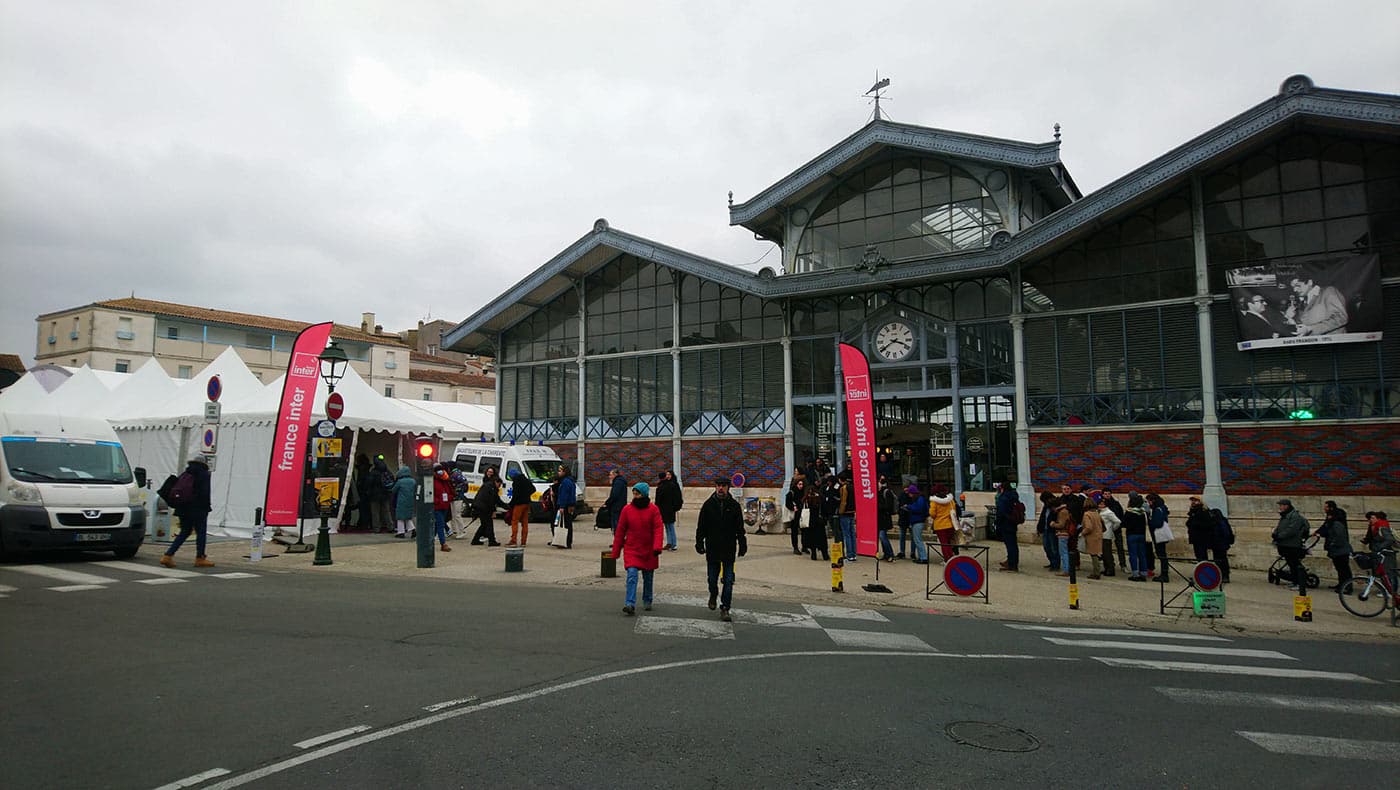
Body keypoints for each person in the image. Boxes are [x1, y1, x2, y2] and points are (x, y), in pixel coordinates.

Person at [695, 477, 746, 622]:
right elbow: (701, 527)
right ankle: (713, 593)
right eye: (718, 486)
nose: (720, 489)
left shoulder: (734, 506)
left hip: (729, 547)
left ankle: (725, 608)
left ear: (728, 487)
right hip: (713, 547)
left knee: (728, 581)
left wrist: (742, 544)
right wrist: (699, 543)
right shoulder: (708, 505)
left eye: (723, 486)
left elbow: (740, 528)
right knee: (712, 579)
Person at [610, 481, 664, 616]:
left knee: (648, 576)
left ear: (644, 494)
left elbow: (658, 528)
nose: (635, 496)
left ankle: (647, 599)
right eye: (634, 494)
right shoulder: (627, 510)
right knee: (632, 575)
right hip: (632, 548)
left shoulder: (653, 510)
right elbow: (620, 531)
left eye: (637, 494)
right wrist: (615, 551)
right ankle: (630, 603)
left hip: (649, 548)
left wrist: (657, 546)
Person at [159, 455, 215, 568]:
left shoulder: (185, 473)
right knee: (201, 533)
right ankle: (200, 558)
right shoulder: (204, 474)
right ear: (204, 464)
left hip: (182, 508)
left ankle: (168, 556)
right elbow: (204, 493)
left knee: (185, 531)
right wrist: (206, 508)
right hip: (198, 509)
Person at [1272, 498, 1311, 593]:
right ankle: (1294, 581)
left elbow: (1291, 530)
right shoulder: (1285, 516)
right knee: (1291, 563)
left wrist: (1279, 536)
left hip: (1292, 544)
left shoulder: (1294, 517)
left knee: (1294, 563)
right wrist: (1275, 533)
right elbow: (1280, 527)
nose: (1280, 507)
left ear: (1286, 506)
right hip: (1285, 544)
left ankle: (1299, 583)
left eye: (1281, 505)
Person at [1314, 500, 1352, 591]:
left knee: (1344, 569)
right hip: (1337, 549)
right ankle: (1341, 584)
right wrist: (1317, 532)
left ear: (1331, 508)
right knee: (1340, 568)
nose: (1324, 509)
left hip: (1340, 548)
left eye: (1326, 507)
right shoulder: (1332, 520)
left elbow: (1336, 534)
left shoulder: (1337, 523)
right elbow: (1325, 527)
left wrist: (1332, 543)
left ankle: (1347, 587)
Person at [470, 465, 503, 546]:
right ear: (496, 482)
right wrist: (493, 510)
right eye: (499, 485)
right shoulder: (490, 487)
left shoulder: (490, 486)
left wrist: (506, 506)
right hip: (483, 507)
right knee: (488, 524)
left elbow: (496, 500)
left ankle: (476, 540)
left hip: (481, 506)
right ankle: (491, 541)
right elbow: (492, 501)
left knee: (485, 524)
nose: (500, 487)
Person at [1121, 493, 1149, 581]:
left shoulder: (1129, 512)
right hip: (1141, 534)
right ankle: (1144, 572)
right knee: (1142, 554)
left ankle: (1135, 574)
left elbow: (1124, 523)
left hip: (1132, 534)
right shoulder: (1143, 512)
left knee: (1133, 554)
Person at [1146, 493, 1172, 583]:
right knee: (1162, 554)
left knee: (1161, 554)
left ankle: (1164, 574)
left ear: (1152, 500)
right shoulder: (1163, 507)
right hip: (1161, 534)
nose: (1148, 503)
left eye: (1149, 501)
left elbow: (1157, 523)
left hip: (1159, 534)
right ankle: (1165, 572)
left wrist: (1150, 522)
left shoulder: (1157, 509)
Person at [994, 482, 1020, 572]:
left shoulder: (1003, 498)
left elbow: (1000, 512)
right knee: (1013, 544)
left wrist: (997, 523)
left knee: (1010, 545)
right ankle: (1012, 561)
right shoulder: (1014, 496)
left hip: (1005, 523)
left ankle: (1012, 564)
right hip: (1013, 522)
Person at [1185, 496, 1216, 570]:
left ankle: (1205, 572)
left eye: (1195, 500)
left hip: (1202, 537)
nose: (1193, 502)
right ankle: (1201, 572)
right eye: (1192, 500)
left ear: (1200, 502)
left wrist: (1194, 524)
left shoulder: (1203, 511)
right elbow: (1189, 523)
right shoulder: (1193, 511)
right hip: (1196, 537)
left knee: (1202, 556)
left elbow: (1206, 524)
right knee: (1199, 556)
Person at [929, 484, 958, 562]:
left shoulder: (934, 502)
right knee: (949, 543)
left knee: (944, 543)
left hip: (940, 525)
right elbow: (954, 509)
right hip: (950, 524)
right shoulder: (950, 500)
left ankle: (947, 559)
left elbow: (932, 514)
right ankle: (952, 557)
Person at [506, 471, 535, 547]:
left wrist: (511, 505)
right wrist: (527, 495)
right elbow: (533, 489)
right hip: (527, 503)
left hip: (518, 504)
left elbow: (515, 495)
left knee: (514, 522)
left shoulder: (516, 482)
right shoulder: (526, 480)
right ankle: (523, 542)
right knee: (525, 523)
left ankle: (513, 540)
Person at [656, 469, 683, 551]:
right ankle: (670, 542)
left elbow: (677, 497)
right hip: (668, 509)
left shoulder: (666, 486)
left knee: (669, 526)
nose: (668, 476)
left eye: (669, 474)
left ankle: (673, 543)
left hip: (667, 509)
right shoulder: (670, 485)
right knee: (668, 526)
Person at [802, 483, 830, 561]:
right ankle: (825, 555)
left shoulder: (806, 500)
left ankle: (813, 554)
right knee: (822, 540)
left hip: (810, 522)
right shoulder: (820, 498)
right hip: (819, 522)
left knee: (812, 539)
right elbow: (825, 509)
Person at [1101, 490, 1127, 571]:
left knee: (1120, 547)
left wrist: (1117, 526)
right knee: (1106, 549)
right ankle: (1110, 564)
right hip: (1106, 530)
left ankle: (1123, 565)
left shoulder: (1116, 503)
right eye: (1105, 494)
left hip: (1116, 529)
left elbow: (1120, 515)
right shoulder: (1101, 504)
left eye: (1109, 494)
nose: (1107, 495)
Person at [553, 464, 578, 549]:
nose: (558, 473)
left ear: (564, 472)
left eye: (560, 471)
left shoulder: (565, 482)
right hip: (570, 505)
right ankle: (568, 541)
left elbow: (564, 495)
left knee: (565, 524)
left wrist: (562, 506)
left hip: (566, 505)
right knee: (568, 523)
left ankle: (565, 541)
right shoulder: (570, 481)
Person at [903, 484, 930, 564]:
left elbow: (919, 509)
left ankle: (923, 557)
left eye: (910, 493)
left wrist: (909, 507)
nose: (909, 495)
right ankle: (921, 556)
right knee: (917, 540)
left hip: (918, 521)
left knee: (918, 540)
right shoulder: (919, 499)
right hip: (917, 521)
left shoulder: (920, 499)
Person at [1080, 495, 1105, 580]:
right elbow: (1103, 524)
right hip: (1098, 535)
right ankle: (1097, 571)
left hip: (1091, 537)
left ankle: (1096, 572)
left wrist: (1082, 533)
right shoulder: (1097, 513)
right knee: (1096, 554)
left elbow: (1088, 527)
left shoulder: (1087, 514)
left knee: (1093, 554)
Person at [1097, 492, 1121, 577]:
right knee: (1103, 553)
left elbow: (1117, 521)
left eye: (1102, 504)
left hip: (1107, 535)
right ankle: (1106, 568)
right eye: (1099, 504)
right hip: (1101, 535)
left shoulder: (1108, 512)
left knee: (1108, 553)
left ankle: (1111, 570)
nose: (1100, 505)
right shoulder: (1099, 512)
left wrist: (1112, 528)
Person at [836, 470, 857, 562]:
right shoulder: (852, 487)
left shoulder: (843, 488)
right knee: (852, 534)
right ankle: (854, 554)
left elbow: (843, 501)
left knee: (847, 534)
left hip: (845, 513)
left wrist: (840, 511)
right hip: (852, 512)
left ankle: (849, 555)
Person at [370, 455, 395, 533]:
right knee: (386, 511)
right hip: (385, 494)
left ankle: (376, 528)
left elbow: (369, 483)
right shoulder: (387, 470)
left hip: (375, 495)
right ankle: (390, 526)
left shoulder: (373, 472)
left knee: (375, 512)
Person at [432, 465, 454, 551]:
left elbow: (451, 491)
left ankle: (430, 539)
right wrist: (436, 501)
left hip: (445, 505)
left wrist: (449, 498)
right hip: (437, 506)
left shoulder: (446, 480)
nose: (441, 472)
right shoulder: (433, 481)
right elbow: (430, 493)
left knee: (438, 524)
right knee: (440, 524)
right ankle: (443, 544)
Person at [1037, 491, 1059, 570]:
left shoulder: (1055, 507)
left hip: (1052, 529)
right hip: (1045, 528)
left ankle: (1055, 564)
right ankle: (1052, 562)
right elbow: (1042, 517)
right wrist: (1039, 528)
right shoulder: (1045, 507)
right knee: (1046, 546)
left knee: (1053, 547)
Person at [352, 453, 375, 530]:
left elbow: (361, 481)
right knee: (367, 509)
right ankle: (367, 523)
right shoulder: (367, 469)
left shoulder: (361, 470)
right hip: (367, 492)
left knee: (363, 509)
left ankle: (363, 523)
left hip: (362, 491)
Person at [392, 464, 416, 539]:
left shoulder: (400, 481)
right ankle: (412, 529)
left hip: (401, 501)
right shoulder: (413, 481)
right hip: (411, 501)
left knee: (400, 517)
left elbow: (393, 490)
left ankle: (401, 532)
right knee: (408, 517)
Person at [877, 476, 898, 562]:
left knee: (882, 536)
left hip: (885, 518)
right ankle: (886, 553)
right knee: (882, 536)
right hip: (880, 518)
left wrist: (879, 507)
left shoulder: (886, 492)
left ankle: (890, 554)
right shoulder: (879, 492)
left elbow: (888, 507)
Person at [1051, 497, 1073, 577]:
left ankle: (1066, 570)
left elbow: (1061, 524)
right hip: (1064, 534)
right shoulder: (1064, 511)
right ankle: (1066, 569)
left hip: (1063, 534)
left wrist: (1053, 524)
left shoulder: (1062, 512)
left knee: (1063, 553)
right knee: (1064, 552)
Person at [785, 477, 807, 555]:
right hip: (795, 515)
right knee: (794, 531)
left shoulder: (804, 492)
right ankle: (795, 547)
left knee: (804, 531)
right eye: (799, 484)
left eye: (802, 484)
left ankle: (805, 546)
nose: (801, 486)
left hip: (803, 514)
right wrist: (793, 507)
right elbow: (787, 502)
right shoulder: (792, 493)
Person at [605, 468, 628, 533]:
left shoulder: (618, 482)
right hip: (620, 505)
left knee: (616, 525)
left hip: (616, 507)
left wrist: (607, 503)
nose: (609, 477)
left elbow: (614, 495)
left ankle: (618, 541)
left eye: (610, 475)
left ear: (615, 475)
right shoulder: (620, 482)